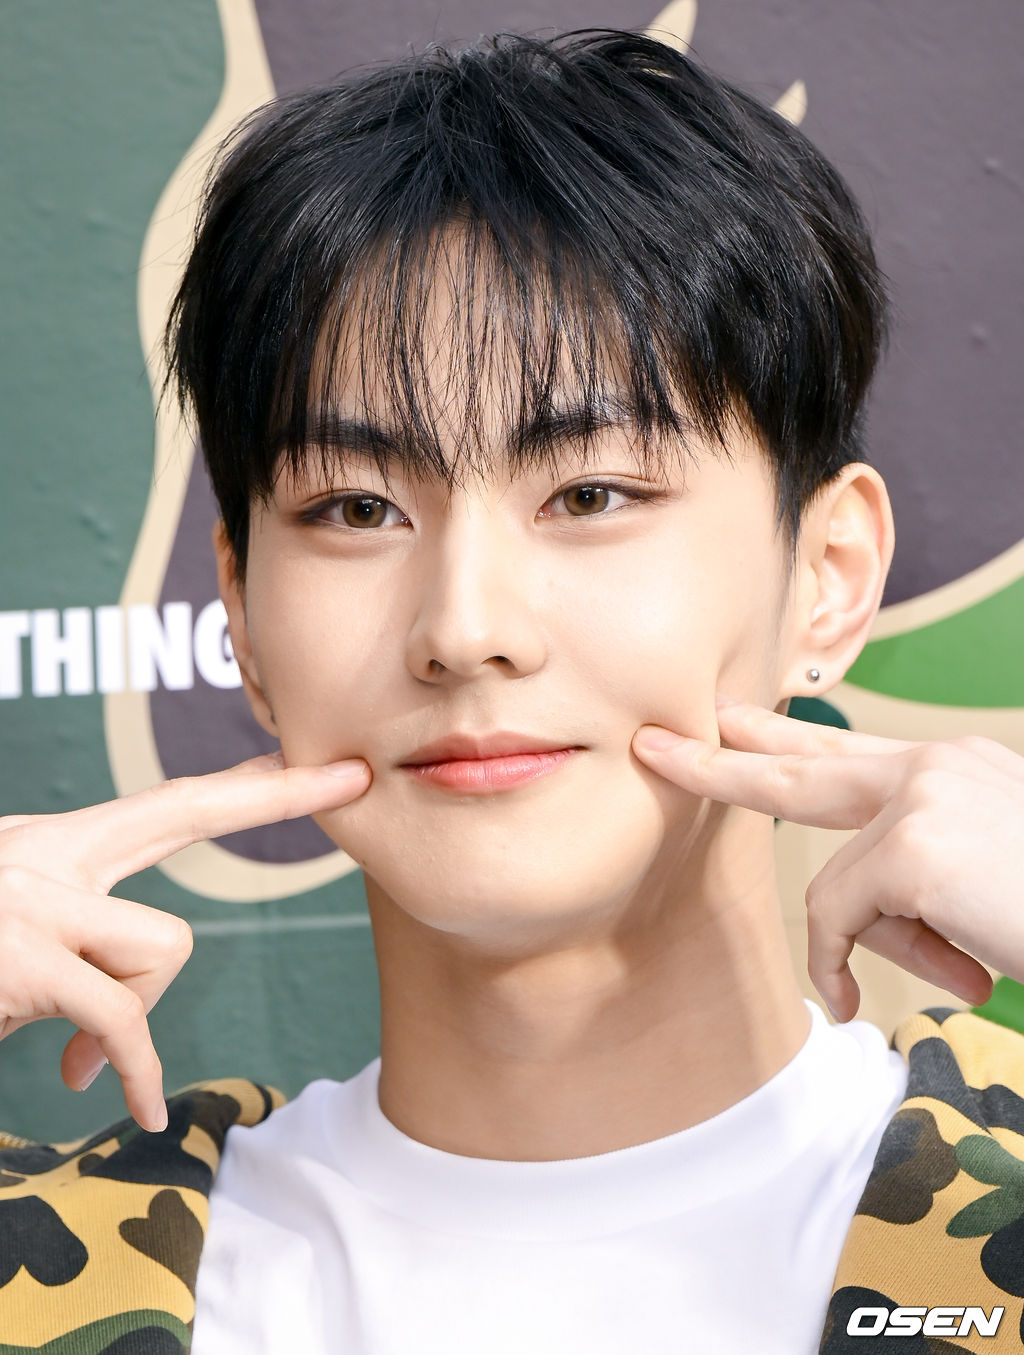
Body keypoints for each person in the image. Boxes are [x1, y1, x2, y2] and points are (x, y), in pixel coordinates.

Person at [1, 27, 1023, 1354]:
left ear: (827, 577)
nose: (465, 629)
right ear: (241, 614)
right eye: (356, 508)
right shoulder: (49, 1272)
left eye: (591, 495)